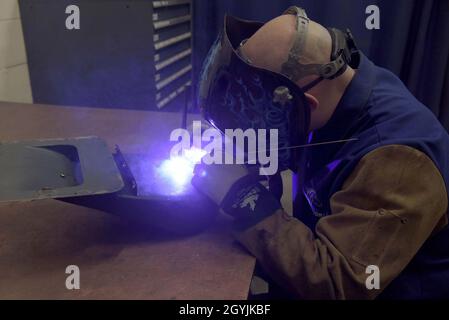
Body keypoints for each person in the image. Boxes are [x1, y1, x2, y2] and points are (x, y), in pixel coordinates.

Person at [191, 6, 449, 299]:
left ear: (306, 103)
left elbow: (338, 286)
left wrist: (242, 195)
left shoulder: (398, 162)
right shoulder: (340, 91)